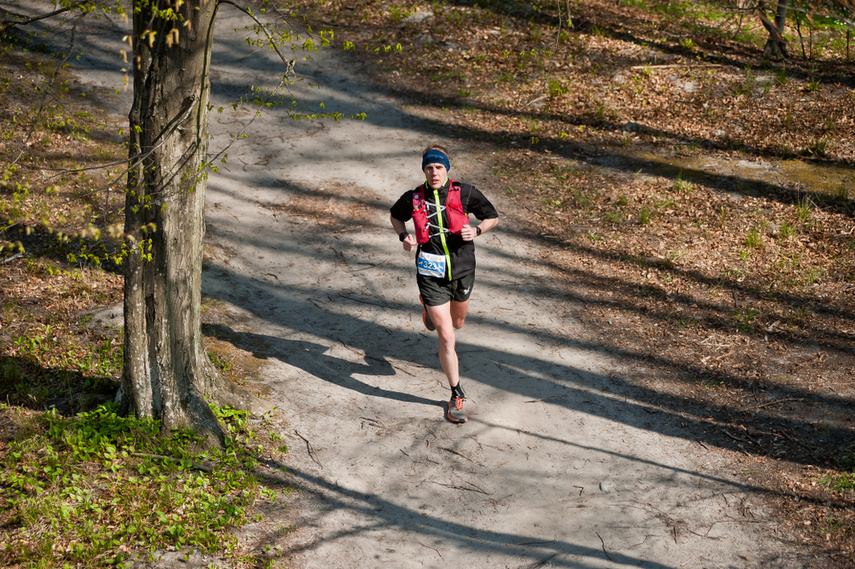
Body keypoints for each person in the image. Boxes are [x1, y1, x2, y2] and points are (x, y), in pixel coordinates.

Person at [390, 145, 499, 423]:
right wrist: (403, 235)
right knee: (447, 336)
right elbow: (395, 215)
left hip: (462, 269)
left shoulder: (465, 193)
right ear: (424, 170)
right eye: (429, 167)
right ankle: (456, 393)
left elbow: (492, 217)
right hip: (429, 273)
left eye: (438, 167)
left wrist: (475, 230)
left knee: (458, 323)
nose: (434, 172)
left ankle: (430, 311)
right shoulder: (414, 197)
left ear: (446, 168)